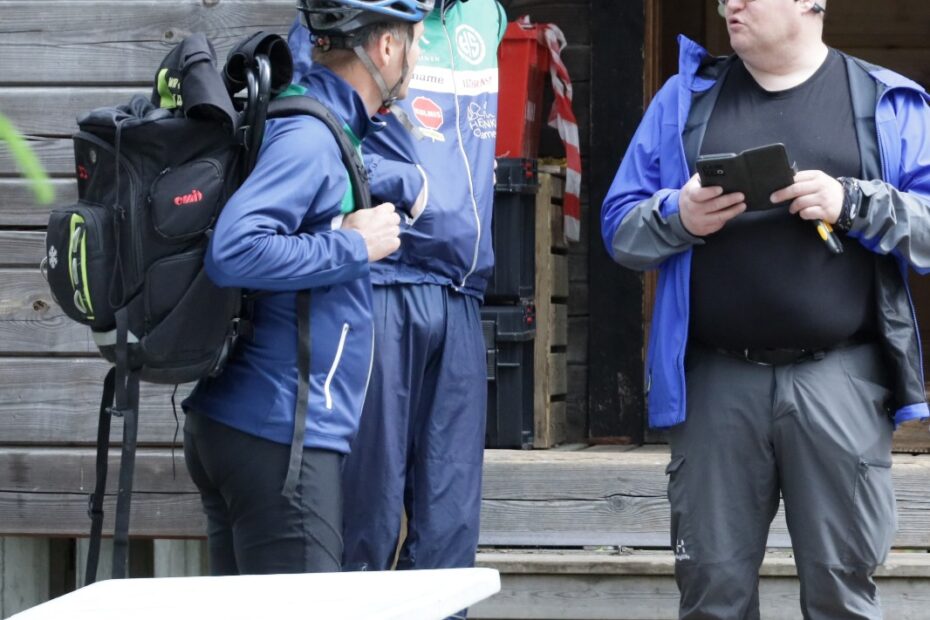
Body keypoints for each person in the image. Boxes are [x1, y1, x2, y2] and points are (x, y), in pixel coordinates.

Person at [601, 0, 930, 617]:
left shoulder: (884, 101)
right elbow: (619, 229)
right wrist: (678, 216)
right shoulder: (684, 100)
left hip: (841, 381)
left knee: (842, 598)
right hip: (715, 385)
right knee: (712, 598)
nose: (731, 3)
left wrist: (854, 203)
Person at [181, 0, 431, 575]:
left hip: (249, 425)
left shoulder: (316, 121)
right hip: (280, 435)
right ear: (387, 48)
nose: (416, 58)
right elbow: (235, 250)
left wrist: (392, 190)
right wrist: (353, 246)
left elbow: (309, 204)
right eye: (415, 43)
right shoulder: (310, 137)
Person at [288, 0, 506, 585]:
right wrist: (403, 185)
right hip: (380, 285)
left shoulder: (487, 16)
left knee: (451, 529)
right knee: (367, 516)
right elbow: (303, 122)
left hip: (462, 292)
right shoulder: (346, 11)